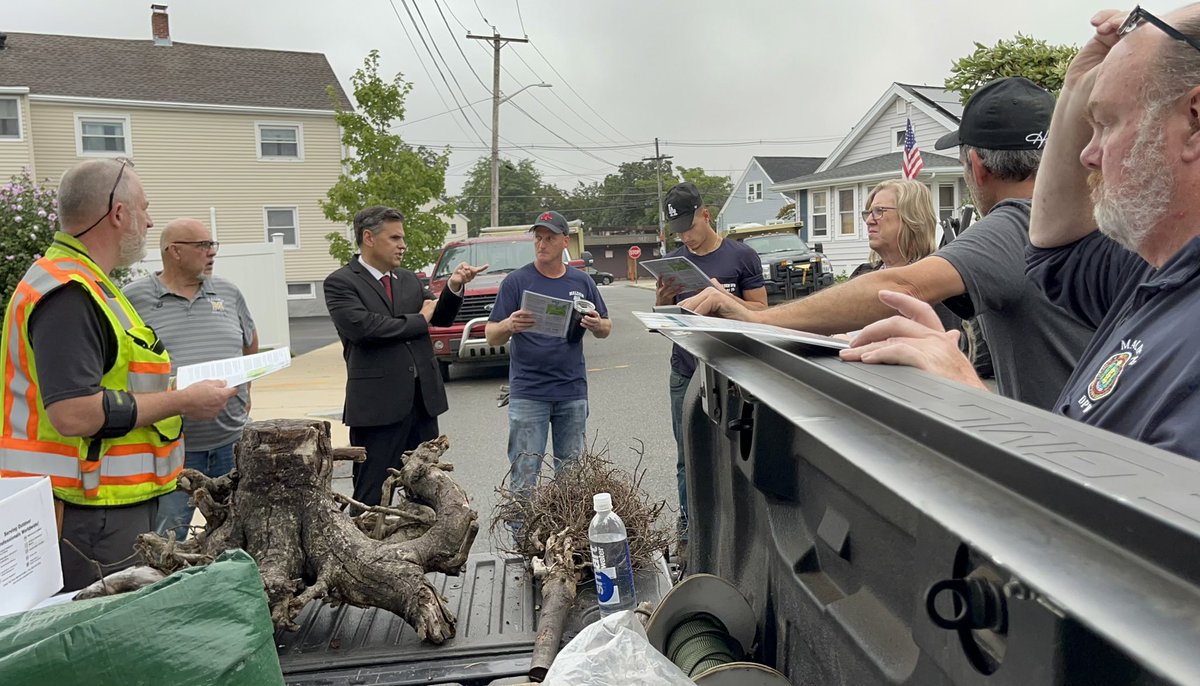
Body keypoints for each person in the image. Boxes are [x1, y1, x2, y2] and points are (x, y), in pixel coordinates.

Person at [841, 6, 1200, 461]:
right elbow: (1056, 253)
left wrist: (967, 401)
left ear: (1195, 118)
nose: (1087, 155)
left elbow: (1127, 526)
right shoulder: (1159, 274)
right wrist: (1075, 87)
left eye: (1106, 122)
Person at [681, 77, 1095, 410]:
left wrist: (757, 320)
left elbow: (901, 288)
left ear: (977, 168)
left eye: (883, 212)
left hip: (1070, 465)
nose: (872, 220)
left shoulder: (1017, 224)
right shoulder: (1098, 216)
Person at [0, 159, 237, 591]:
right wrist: (183, 401)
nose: (149, 221)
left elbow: (116, 382)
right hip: (87, 510)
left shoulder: (89, 284)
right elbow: (74, 413)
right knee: (98, 640)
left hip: (99, 501)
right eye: (144, 209)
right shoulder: (69, 292)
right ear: (118, 214)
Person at [324, 206, 485, 507]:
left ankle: (427, 550)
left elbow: (441, 317)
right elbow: (367, 328)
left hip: (421, 403)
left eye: (403, 238)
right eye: (395, 237)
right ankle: (370, 550)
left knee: (427, 489)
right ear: (368, 238)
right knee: (371, 494)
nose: (403, 245)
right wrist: (419, 320)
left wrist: (454, 286)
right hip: (378, 408)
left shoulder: (407, 279)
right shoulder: (341, 282)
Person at [124, 218, 258, 541]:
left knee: (238, 538)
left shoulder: (228, 292)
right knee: (167, 541)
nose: (211, 253)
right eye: (203, 245)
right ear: (174, 252)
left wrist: (245, 390)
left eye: (213, 245)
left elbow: (250, 342)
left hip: (232, 444)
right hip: (173, 451)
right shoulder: (134, 299)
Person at [655, 181, 767, 550]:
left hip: (731, 370)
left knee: (734, 455)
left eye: (690, 225)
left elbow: (764, 314)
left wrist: (724, 299)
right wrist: (662, 302)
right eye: (678, 230)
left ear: (706, 214)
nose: (685, 236)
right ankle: (691, 531)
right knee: (687, 456)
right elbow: (667, 325)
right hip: (685, 370)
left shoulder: (741, 257)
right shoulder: (675, 262)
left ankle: (740, 532)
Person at [485, 210, 612, 499]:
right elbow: (491, 335)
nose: (542, 244)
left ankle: (566, 540)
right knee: (524, 476)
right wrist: (509, 324)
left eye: (550, 238)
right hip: (529, 391)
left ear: (565, 241)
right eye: (538, 238)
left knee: (572, 478)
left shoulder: (581, 282)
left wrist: (596, 325)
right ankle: (523, 541)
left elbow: (606, 327)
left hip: (571, 390)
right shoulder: (516, 282)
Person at [850, 180, 961, 333]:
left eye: (878, 211)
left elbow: (944, 349)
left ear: (911, 217)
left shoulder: (936, 284)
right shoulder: (862, 273)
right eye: (868, 213)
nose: (869, 221)